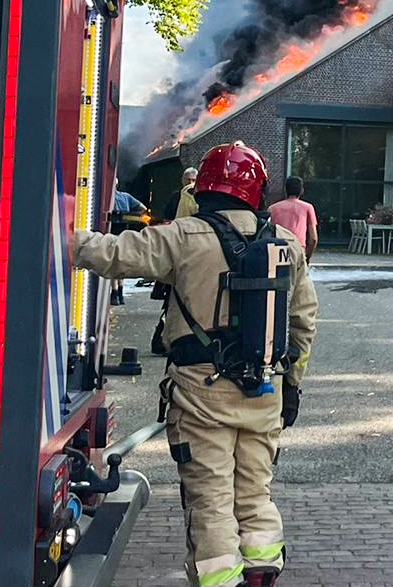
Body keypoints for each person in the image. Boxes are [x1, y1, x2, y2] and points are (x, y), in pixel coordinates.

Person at [73, 142, 318, 587]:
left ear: (203, 187)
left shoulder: (183, 237)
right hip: (265, 389)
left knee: (210, 497)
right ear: (256, 190)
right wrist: (293, 386)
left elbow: (111, 254)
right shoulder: (286, 245)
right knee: (254, 490)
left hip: (201, 391)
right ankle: (263, 569)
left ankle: (219, 579)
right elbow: (302, 324)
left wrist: (55, 231)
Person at [109, 181, 149, 305]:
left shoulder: (109, 199)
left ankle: (114, 293)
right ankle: (121, 293)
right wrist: (136, 218)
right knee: (121, 262)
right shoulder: (126, 197)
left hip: (111, 233)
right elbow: (143, 208)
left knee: (112, 263)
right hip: (124, 233)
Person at [268, 177, 318, 262]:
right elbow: (313, 238)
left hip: (277, 251)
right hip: (298, 250)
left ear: (285, 190)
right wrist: (306, 258)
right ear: (301, 191)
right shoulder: (307, 208)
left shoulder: (272, 208)